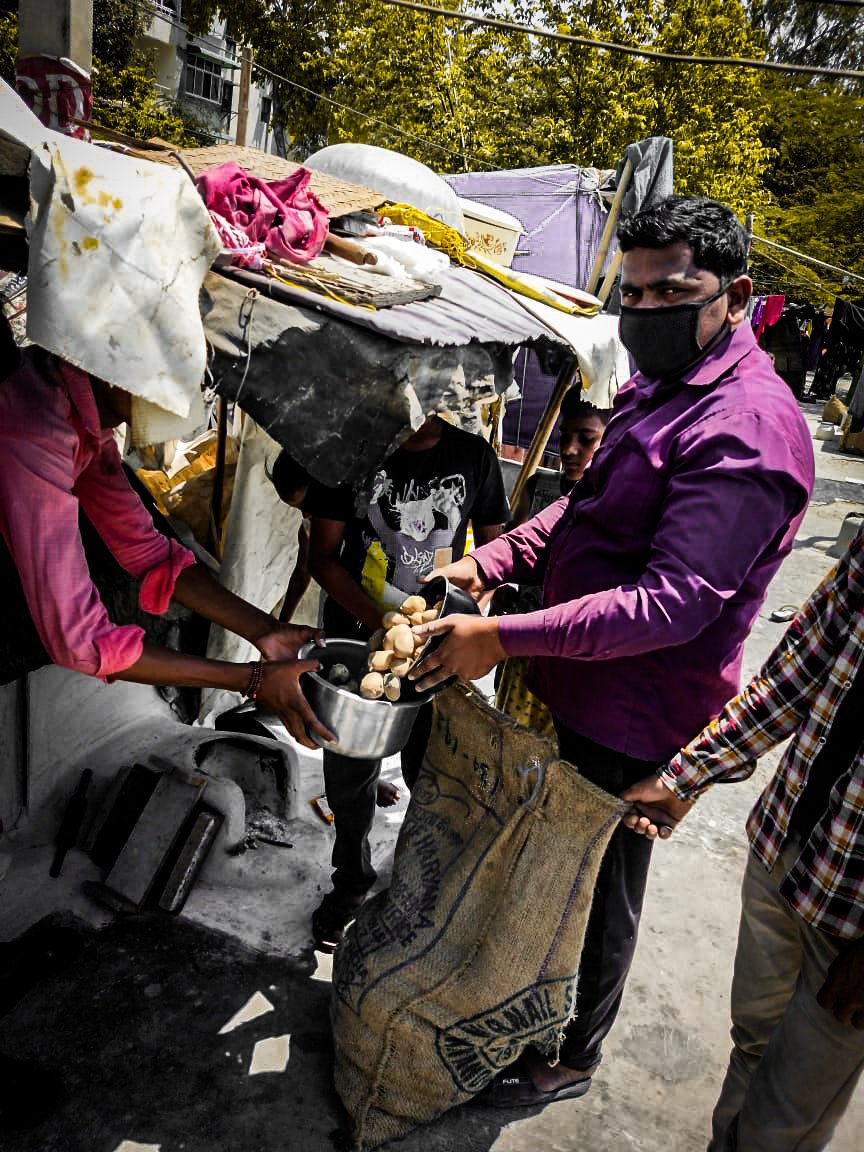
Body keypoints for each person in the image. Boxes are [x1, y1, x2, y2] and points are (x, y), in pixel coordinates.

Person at [408, 195, 815, 1105]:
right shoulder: (660, 388)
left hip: (637, 715)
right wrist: (495, 557)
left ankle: (574, 1056)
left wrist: (500, 637)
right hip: (575, 683)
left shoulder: (747, 427)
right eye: (631, 296)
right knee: (553, 871)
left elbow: (670, 604)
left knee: (600, 886)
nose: (644, 315)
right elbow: (582, 507)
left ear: (736, 295)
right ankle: (525, 1001)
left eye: (671, 293)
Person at [621, 521, 864, 1152]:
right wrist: (684, 777)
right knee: (752, 1044)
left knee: (784, 1115)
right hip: (786, 847)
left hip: (852, 923)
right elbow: (794, 675)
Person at [0, 345, 331, 747]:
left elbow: (148, 550)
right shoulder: (34, 426)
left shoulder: (83, 413)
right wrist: (252, 680)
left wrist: (267, 631)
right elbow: (81, 642)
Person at [304, 412, 509, 951]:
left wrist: (467, 617)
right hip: (357, 639)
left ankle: (421, 882)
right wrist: (384, 629)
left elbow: (494, 551)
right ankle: (350, 879)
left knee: (432, 770)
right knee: (348, 771)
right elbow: (323, 557)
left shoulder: (473, 455)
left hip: (438, 646)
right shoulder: (348, 446)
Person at [495, 392, 610, 732]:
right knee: (508, 737)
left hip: (569, 654)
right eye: (565, 437)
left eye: (586, 439)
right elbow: (510, 547)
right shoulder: (537, 487)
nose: (570, 450)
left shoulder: (610, 504)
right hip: (521, 648)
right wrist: (502, 588)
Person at [266, 448, 313, 624]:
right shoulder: (308, 527)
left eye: (309, 505)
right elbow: (302, 573)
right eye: (299, 510)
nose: (306, 516)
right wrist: (282, 625)